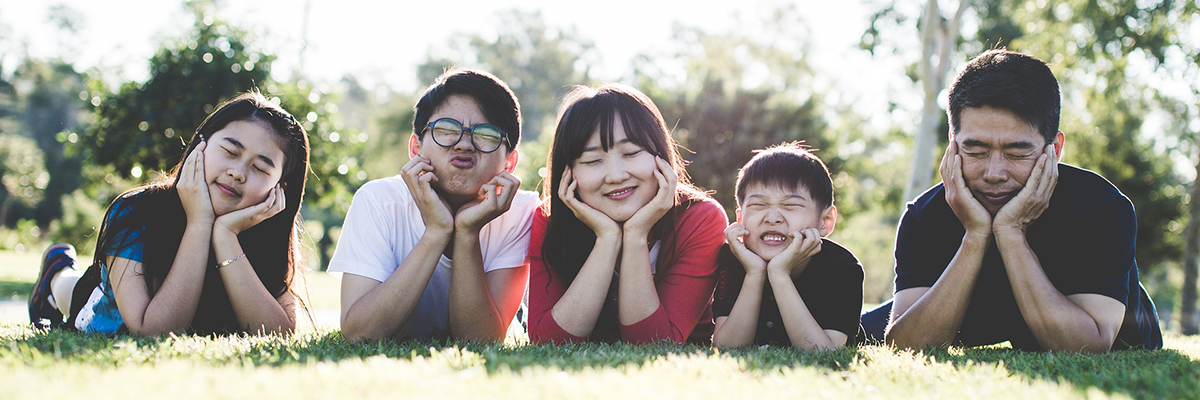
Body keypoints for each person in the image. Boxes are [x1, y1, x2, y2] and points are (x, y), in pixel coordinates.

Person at [860, 49, 1163, 352]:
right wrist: (976, 236)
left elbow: (1089, 346)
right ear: (953, 146)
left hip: (1084, 312)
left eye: (1017, 153)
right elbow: (906, 345)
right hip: (973, 310)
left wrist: (1011, 233)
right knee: (849, 331)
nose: (994, 173)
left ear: (1054, 150)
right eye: (976, 151)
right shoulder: (923, 217)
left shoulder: (1103, 208)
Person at [28, 91, 310, 335]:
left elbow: (277, 333)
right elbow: (154, 331)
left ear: (279, 186)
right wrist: (199, 223)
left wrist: (226, 235)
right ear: (202, 144)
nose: (237, 173)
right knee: (72, 289)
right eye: (230, 151)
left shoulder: (270, 227)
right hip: (103, 306)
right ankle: (56, 270)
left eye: (260, 168)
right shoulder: (134, 210)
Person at [331, 69, 537, 342]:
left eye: (486, 134)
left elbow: (480, 342)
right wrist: (437, 231)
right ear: (416, 148)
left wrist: (467, 231)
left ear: (509, 162)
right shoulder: (378, 201)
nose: (464, 145)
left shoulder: (520, 213)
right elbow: (359, 333)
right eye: (446, 130)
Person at [527, 83, 727, 345]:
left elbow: (654, 344)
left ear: (661, 155)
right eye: (592, 161)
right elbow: (550, 343)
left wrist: (635, 235)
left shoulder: (700, 219)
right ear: (568, 172)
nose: (616, 175)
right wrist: (607, 239)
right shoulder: (550, 220)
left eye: (631, 153)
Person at [711, 142, 863, 349]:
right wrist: (755, 273)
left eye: (791, 206)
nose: (772, 218)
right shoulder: (734, 256)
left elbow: (823, 352)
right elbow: (727, 347)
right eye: (759, 205)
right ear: (740, 218)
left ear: (825, 221)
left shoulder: (842, 266)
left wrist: (779, 273)